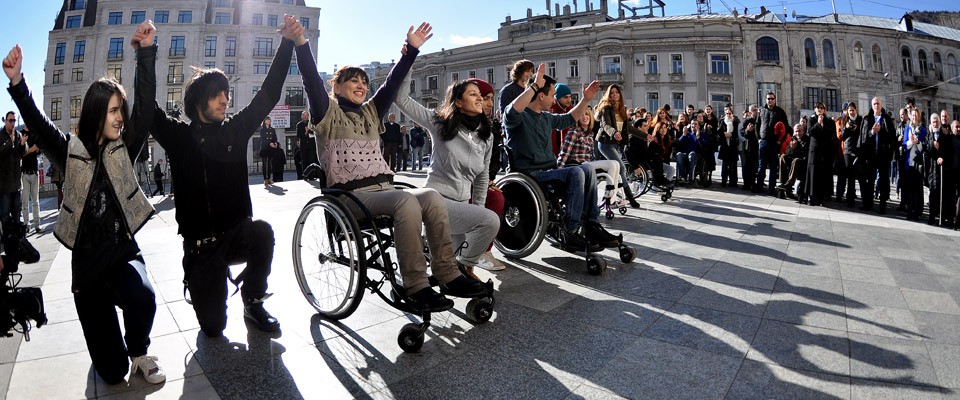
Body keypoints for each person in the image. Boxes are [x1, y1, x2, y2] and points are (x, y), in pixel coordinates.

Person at [294, 21, 487, 311]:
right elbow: (310, 80)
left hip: (384, 190)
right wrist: (300, 43)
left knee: (431, 198)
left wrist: (411, 50)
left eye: (363, 82)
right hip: (351, 197)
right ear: (335, 85)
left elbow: (391, 85)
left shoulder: (371, 112)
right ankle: (415, 285)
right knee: (405, 202)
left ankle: (447, 273)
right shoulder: (327, 113)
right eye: (353, 80)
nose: (361, 85)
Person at [4, 42, 164, 384]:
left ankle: (138, 350)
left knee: (143, 297)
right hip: (89, 270)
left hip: (122, 252)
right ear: (94, 113)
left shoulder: (126, 146)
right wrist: (18, 83)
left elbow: (147, 110)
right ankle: (112, 351)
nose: (120, 117)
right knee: (112, 373)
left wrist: (147, 53)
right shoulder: (70, 152)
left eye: (121, 109)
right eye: (112, 111)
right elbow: (39, 124)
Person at [133, 18, 288, 336]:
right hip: (201, 248)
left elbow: (269, 93)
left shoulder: (236, 128)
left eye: (227, 94)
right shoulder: (178, 137)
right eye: (218, 94)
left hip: (236, 235)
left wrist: (287, 43)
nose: (225, 100)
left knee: (262, 232)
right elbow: (146, 107)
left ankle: (253, 299)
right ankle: (200, 282)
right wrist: (147, 53)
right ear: (200, 100)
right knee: (214, 328)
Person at [394, 74, 500, 280]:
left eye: (480, 95)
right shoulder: (440, 123)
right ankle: (460, 270)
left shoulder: (486, 135)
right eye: (473, 94)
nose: (480, 98)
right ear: (458, 102)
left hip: (460, 205)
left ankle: (462, 269)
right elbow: (401, 100)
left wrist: (476, 212)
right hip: (435, 200)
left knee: (449, 263)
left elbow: (481, 177)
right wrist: (409, 59)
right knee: (491, 221)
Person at [504, 65, 614, 250]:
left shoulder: (546, 117)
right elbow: (512, 111)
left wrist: (586, 100)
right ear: (540, 95)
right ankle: (569, 230)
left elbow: (570, 118)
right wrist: (534, 86)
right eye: (552, 94)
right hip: (530, 175)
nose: (554, 98)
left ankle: (590, 224)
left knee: (587, 168)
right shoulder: (519, 117)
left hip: (550, 171)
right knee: (576, 172)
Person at [557, 106, 626, 207]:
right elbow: (565, 152)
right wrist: (559, 170)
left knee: (616, 164)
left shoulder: (590, 134)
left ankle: (612, 196)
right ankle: (609, 197)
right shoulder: (574, 132)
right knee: (612, 163)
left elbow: (590, 155)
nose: (585, 117)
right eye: (581, 115)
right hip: (578, 164)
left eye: (587, 115)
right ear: (577, 119)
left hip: (588, 164)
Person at [474, 79, 506, 271]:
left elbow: (493, 158)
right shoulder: (456, 124)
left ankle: (484, 252)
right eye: (485, 98)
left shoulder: (491, 126)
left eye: (491, 99)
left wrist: (489, 179)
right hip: (456, 183)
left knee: (497, 197)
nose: (489, 103)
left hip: (481, 181)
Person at [594, 84, 641, 207]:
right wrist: (614, 133)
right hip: (605, 143)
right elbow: (605, 125)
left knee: (614, 172)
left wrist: (645, 136)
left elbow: (628, 128)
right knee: (622, 168)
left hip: (616, 144)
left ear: (620, 94)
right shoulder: (606, 108)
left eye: (616, 92)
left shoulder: (621, 109)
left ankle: (610, 198)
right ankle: (631, 198)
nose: (614, 95)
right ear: (608, 95)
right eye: (612, 93)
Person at [859, 97, 897, 213]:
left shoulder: (886, 119)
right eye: (874, 104)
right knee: (869, 180)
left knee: (883, 181)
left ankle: (882, 206)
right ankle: (868, 204)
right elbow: (863, 136)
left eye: (878, 104)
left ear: (881, 106)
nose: (876, 106)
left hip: (883, 155)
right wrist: (872, 132)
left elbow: (892, 137)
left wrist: (881, 131)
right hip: (870, 155)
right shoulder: (866, 118)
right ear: (872, 105)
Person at [756, 92, 789, 195]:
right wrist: (758, 138)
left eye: (772, 99)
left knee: (773, 167)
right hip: (763, 142)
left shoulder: (780, 112)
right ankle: (759, 186)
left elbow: (786, 127)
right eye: (768, 99)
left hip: (774, 143)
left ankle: (771, 188)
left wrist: (781, 140)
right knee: (761, 166)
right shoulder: (762, 111)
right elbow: (757, 124)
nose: (770, 100)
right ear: (765, 100)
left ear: (775, 100)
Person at [804, 102, 836, 206]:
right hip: (814, 151)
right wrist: (818, 124)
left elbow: (831, 134)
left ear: (824, 110)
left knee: (824, 174)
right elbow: (810, 132)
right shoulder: (811, 120)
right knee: (813, 173)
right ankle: (812, 197)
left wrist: (823, 126)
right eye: (817, 107)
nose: (819, 109)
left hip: (825, 151)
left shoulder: (830, 121)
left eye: (821, 108)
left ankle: (824, 197)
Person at [0, 111, 23, 223]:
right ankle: (6, 239)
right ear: (5, 121)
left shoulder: (18, 134)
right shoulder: (1, 136)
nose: (13, 123)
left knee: (17, 214)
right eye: (10, 120)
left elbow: (22, 153)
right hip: (5, 185)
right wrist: (10, 142)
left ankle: (18, 238)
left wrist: (23, 145)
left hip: (17, 183)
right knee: (5, 215)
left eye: (14, 120)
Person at [926, 113, 949, 225]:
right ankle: (931, 216)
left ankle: (941, 217)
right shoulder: (929, 135)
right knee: (932, 193)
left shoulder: (944, 135)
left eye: (937, 121)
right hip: (932, 169)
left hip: (942, 169)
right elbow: (926, 149)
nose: (935, 123)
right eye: (933, 121)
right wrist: (932, 144)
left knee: (941, 194)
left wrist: (941, 157)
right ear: (931, 123)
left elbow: (947, 150)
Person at [839, 102, 862, 207]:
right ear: (847, 111)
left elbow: (862, 134)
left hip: (857, 150)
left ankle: (852, 197)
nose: (851, 112)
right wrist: (847, 128)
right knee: (848, 174)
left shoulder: (860, 120)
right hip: (847, 150)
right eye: (849, 110)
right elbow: (842, 137)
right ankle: (848, 198)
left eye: (853, 110)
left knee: (853, 175)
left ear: (856, 110)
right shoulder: (845, 120)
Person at [20, 126, 40, 233]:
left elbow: (38, 150)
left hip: (34, 172)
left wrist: (33, 150)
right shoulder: (20, 134)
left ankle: (37, 224)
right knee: (25, 202)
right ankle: (27, 224)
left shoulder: (34, 133)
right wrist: (31, 149)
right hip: (24, 173)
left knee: (35, 201)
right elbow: (21, 153)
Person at [718, 104, 739, 187]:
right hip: (724, 146)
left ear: (732, 114)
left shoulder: (735, 122)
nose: (728, 115)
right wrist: (724, 134)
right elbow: (718, 132)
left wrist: (731, 135)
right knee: (724, 165)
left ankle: (733, 182)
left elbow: (737, 133)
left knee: (733, 165)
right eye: (727, 113)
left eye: (730, 113)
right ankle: (724, 181)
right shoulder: (722, 121)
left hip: (733, 145)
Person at [550, 83, 573, 157]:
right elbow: (551, 138)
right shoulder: (551, 109)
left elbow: (568, 131)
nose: (569, 100)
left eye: (570, 97)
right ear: (557, 98)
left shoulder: (568, 108)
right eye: (565, 97)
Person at [740, 105, 760, 191]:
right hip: (749, 147)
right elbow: (742, 133)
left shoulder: (759, 120)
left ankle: (754, 183)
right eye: (754, 110)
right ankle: (746, 184)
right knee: (747, 166)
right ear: (751, 112)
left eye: (757, 110)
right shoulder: (747, 121)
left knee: (755, 166)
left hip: (757, 146)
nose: (756, 111)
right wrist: (747, 130)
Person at [259, 117, 279, 186]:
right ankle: (265, 179)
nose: (269, 121)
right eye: (267, 120)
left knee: (270, 164)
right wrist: (270, 143)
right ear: (264, 121)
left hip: (271, 149)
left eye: (269, 120)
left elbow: (275, 137)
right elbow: (263, 139)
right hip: (264, 148)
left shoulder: (272, 129)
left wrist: (275, 142)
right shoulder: (262, 129)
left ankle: (269, 178)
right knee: (264, 164)